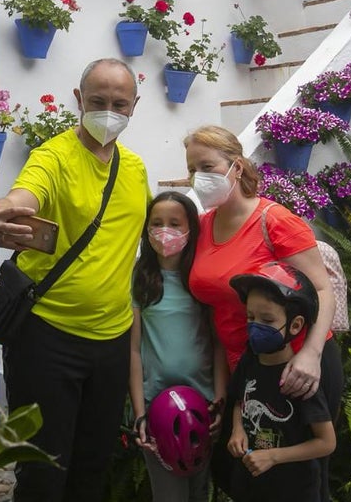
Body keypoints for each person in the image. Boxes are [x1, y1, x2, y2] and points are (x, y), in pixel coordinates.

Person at [0, 58, 150, 502]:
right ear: (79, 100)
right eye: (97, 101)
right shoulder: (52, 156)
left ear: (134, 107)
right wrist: (5, 211)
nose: (108, 111)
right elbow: (25, 192)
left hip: (112, 340)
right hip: (47, 339)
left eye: (119, 103)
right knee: (42, 470)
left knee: (93, 465)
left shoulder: (134, 169)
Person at [183, 125, 343, 498]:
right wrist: (225, 386)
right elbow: (216, 313)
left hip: (295, 366)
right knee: (242, 474)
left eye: (207, 166)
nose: (198, 178)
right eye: (192, 169)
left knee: (299, 479)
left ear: (236, 167)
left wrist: (310, 356)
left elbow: (324, 289)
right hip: (245, 370)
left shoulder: (274, 221)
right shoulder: (204, 226)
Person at [130, 191, 227, 502]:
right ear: (146, 230)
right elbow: (133, 350)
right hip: (157, 411)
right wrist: (139, 413)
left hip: (204, 408)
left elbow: (218, 344)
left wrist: (220, 403)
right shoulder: (139, 279)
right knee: (168, 494)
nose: (164, 230)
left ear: (190, 229)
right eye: (156, 223)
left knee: (199, 492)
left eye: (175, 223)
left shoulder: (200, 279)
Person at [226, 262, 336, 502]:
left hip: (293, 491)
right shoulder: (249, 361)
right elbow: (239, 399)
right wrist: (238, 429)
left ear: (295, 325)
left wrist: (274, 456)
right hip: (251, 486)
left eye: (267, 320)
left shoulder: (297, 381)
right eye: (251, 317)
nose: (255, 327)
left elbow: (326, 442)